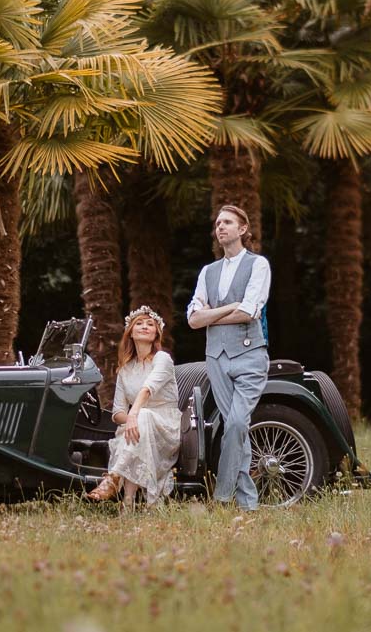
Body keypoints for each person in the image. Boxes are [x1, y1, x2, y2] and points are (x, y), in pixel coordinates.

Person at [186, 204, 271, 511]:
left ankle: (222, 497)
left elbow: (249, 310)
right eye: (218, 223)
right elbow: (192, 319)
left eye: (227, 222)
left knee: (236, 423)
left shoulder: (258, 265)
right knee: (235, 429)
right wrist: (227, 308)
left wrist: (210, 316)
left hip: (250, 355)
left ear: (242, 229)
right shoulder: (207, 272)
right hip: (216, 357)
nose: (220, 227)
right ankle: (248, 504)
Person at [86, 306, 180, 506]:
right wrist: (131, 419)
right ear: (130, 332)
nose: (145, 326)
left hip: (166, 426)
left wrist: (134, 415)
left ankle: (113, 478)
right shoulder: (125, 369)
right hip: (137, 428)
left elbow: (148, 389)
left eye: (150, 324)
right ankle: (127, 504)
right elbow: (117, 412)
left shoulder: (162, 359)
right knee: (139, 426)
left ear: (156, 334)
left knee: (143, 417)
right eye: (139, 323)